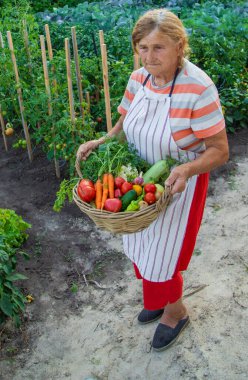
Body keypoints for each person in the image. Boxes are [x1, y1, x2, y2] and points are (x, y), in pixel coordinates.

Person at [77, 9, 229, 351]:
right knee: (140, 247)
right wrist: (100, 142)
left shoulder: (198, 87)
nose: (149, 57)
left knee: (163, 256)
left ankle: (175, 312)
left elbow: (220, 151)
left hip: (177, 185)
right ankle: (159, 299)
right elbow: (121, 129)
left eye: (158, 48)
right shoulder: (138, 79)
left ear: (179, 46)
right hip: (137, 184)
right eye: (142, 48)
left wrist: (186, 170)